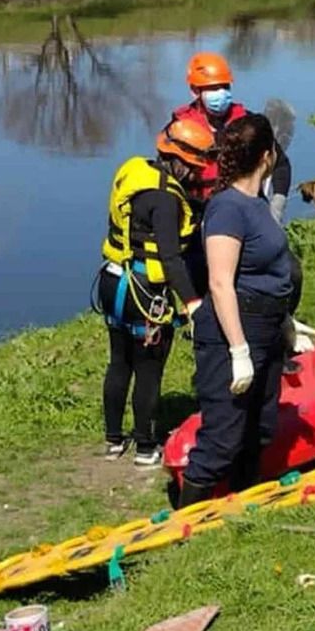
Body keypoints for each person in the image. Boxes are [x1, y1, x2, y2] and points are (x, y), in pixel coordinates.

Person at [177, 115, 293, 507]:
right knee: (223, 438)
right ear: (266, 155)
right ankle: (184, 521)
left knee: (260, 428)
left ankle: (244, 508)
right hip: (233, 331)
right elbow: (220, 282)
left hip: (267, 326)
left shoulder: (255, 201)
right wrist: (239, 352)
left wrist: (286, 321)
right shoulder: (227, 208)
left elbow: (271, 266)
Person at [97, 118, 213, 467]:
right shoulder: (165, 200)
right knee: (148, 369)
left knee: (119, 361)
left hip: (112, 280)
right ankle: (147, 447)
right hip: (145, 293)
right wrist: (192, 302)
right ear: (178, 160)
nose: (195, 175)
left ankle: (114, 440)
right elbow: (170, 257)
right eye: (193, 167)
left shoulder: (135, 172)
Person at [170, 52, 292, 222]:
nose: (221, 93)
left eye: (225, 87)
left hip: (246, 211)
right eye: (213, 88)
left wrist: (277, 206)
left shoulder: (246, 124)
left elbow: (281, 165)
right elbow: (165, 179)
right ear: (195, 91)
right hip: (198, 215)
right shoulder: (179, 130)